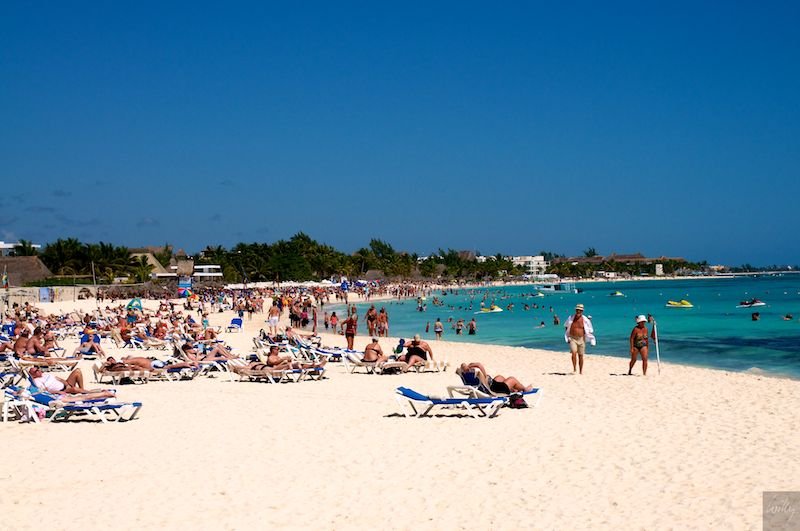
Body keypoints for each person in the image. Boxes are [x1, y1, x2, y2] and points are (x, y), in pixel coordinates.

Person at [457, 362, 534, 394]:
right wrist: (471, 366)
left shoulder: (466, 375)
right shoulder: (480, 375)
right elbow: (479, 365)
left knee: (500, 377)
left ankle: (513, 389)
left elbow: (458, 370)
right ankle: (524, 389)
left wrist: (466, 367)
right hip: (494, 390)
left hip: (491, 386)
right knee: (512, 379)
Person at [29, 366, 108, 395]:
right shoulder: (37, 381)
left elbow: (59, 379)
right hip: (61, 391)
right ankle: (92, 393)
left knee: (77, 371)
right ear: (33, 375)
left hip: (66, 385)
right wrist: (58, 392)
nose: (39, 371)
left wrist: (67, 384)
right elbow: (45, 391)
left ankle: (82, 390)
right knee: (74, 389)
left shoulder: (45, 374)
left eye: (38, 369)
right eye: (36, 371)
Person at [564, 303, 596, 374]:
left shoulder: (585, 319)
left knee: (581, 355)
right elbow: (566, 326)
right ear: (575, 310)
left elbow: (590, 329)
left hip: (581, 339)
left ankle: (581, 371)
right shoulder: (571, 318)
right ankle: (574, 369)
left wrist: (590, 338)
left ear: (582, 311)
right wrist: (568, 336)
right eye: (577, 310)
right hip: (573, 338)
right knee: (574, 353)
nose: (578, 311)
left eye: (580, 310)